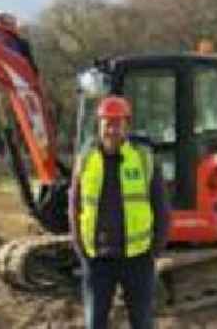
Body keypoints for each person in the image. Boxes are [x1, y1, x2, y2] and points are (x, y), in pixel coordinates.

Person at [69, 96, 170, 329]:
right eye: (108, 123)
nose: (112, 130)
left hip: (137, 260)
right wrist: (81, 249)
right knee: (95, 323)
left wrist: (153, 251)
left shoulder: (143, 159)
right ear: (99, 126)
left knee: (142, 322)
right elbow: (74, 206)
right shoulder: (86, 160)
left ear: (127, 125)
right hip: (98, 261)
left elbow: (162, 208)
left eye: (118, 123)